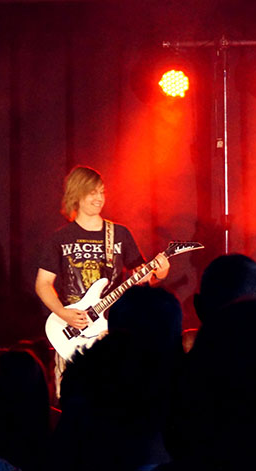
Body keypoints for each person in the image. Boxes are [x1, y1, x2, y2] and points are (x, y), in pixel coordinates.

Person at [35, 166, 168, 390]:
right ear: (76, 194)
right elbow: (43, 284)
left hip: (112, 331)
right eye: (92, 192)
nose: (99, 198)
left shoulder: (119, 234)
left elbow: (142, 279)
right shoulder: (60, 238)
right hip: (72, 331)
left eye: (102, 192)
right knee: (72, 396)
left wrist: (159, 274)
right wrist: (63, 313)